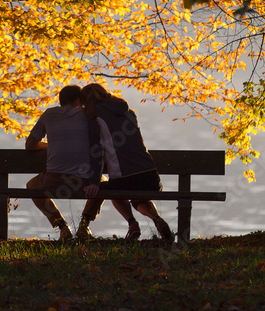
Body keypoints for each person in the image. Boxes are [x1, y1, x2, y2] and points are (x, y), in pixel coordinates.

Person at [80, 83, 173, 243]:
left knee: (110, 189)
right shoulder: (128, 112)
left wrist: (94, 182)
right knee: (138, 197)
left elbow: (96, 153)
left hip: (125, 178)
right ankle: (157, 219)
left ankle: (132, 224)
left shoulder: (95, 116)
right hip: (150, 175)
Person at [25, 84, 104, 241]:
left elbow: (30, 145)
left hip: (53, 181)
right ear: (77, 100)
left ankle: (62, 227)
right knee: (104, 183)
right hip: (83, 181)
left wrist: (51, 144)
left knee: (32, 186)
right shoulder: (88, 115)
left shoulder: (49, 114)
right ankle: (84, 225)